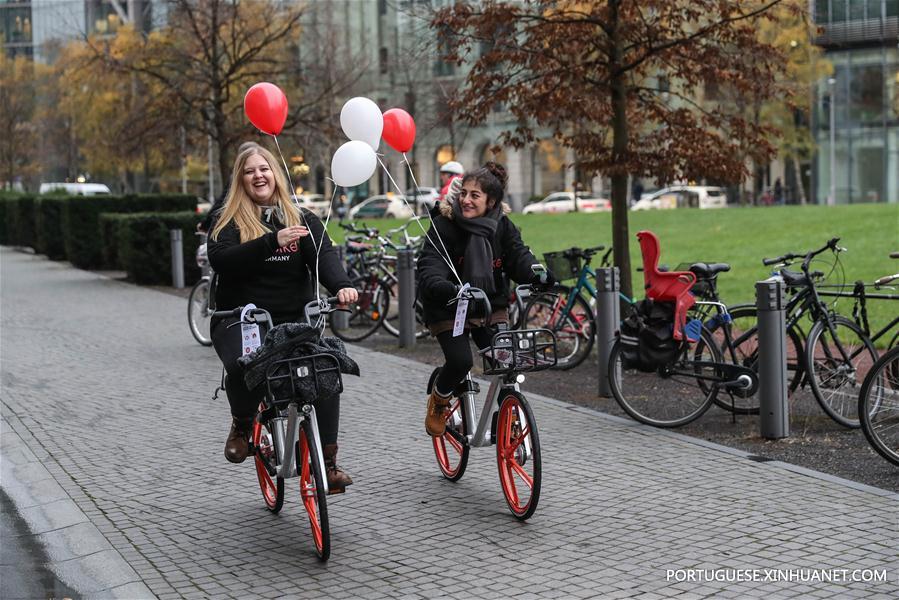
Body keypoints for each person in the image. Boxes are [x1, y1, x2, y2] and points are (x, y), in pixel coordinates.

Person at [207, 143, 358, 492]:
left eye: (264, 169)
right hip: (240, 318)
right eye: (249, 171)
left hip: (293, 317)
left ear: (275, 173)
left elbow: (324, 258)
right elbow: (224, 261)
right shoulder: (226, 221)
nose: (258, 176)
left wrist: (343, 286)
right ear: (240, 180)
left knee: (325, 366)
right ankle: (243, 423)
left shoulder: (302, 219)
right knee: (247, 365)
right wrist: (272, 241)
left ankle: (329, 462)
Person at [416, 162, 554, 436]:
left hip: (489, 304)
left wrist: (538, 275)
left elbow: (519, 255)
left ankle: (510, 415)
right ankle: (439, 400)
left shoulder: (502, 226)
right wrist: (445, 286)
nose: (466, 200)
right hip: (449, 306)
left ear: (491, 201)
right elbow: (429, 266)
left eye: (474, 195)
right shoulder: (445, 225)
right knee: (460, 361)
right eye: (463, 193)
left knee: (506, 361)